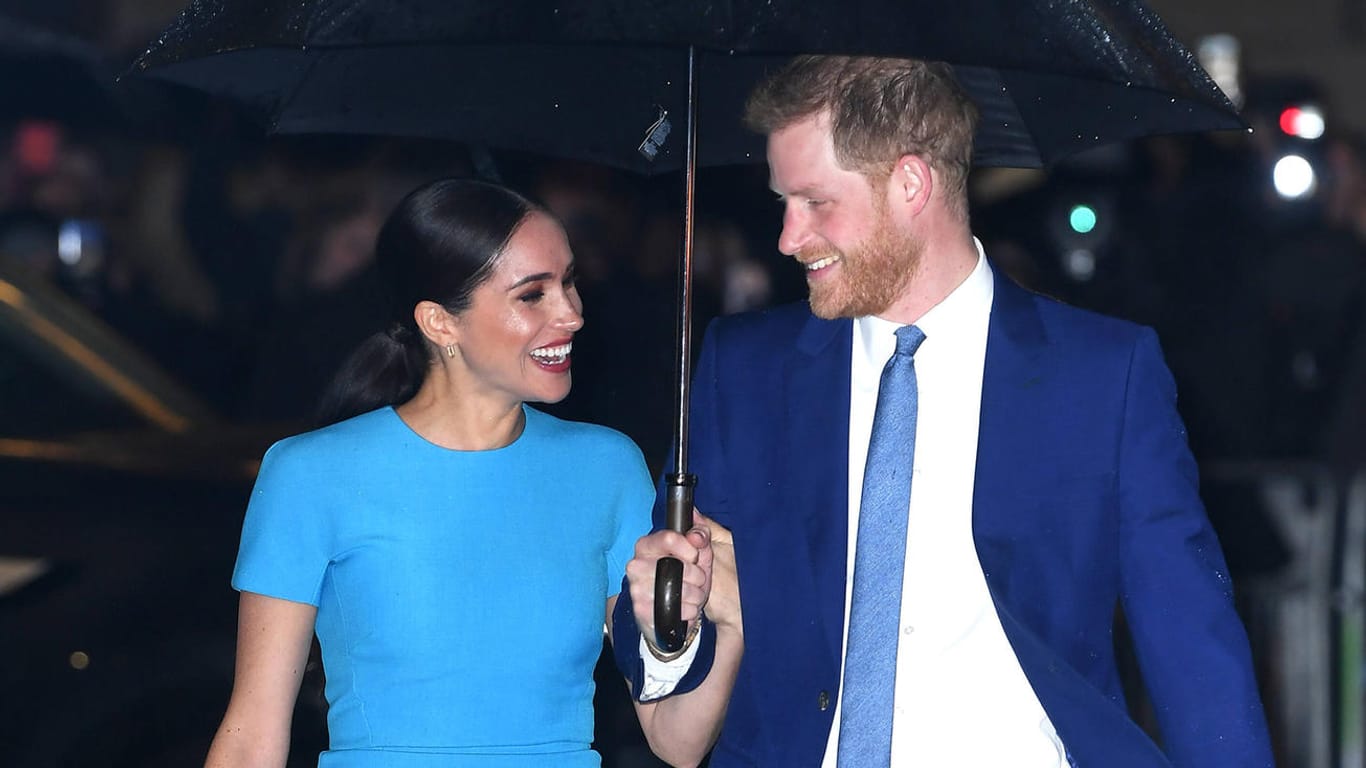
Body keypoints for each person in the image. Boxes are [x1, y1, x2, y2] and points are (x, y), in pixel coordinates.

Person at [613, 56, 1275, 767]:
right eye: (783, 203)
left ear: (910, 183)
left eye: (814, 202)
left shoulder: (1103, 374)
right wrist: (664, 627)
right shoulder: (746, 370)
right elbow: (664, 614)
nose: (788, 236)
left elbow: (1190, 637)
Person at [202, 178, 736, 768]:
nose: (573, 314)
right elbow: (253, 737)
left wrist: (726, 617)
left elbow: (677, 742)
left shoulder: (606, 467)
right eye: (533, 295)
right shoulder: (311, 474)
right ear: (439, 323)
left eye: (570, 282)